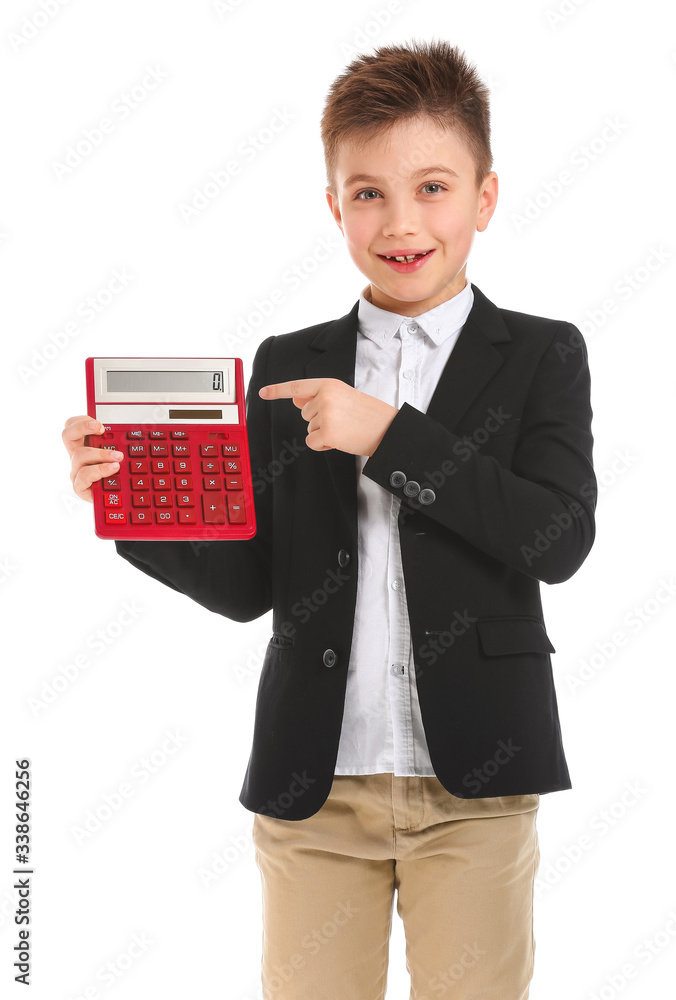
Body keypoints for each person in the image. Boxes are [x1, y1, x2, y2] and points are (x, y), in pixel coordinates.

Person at [62, 39, 597, 1000]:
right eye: (368, 193)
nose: (401, 221)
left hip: (477, 785)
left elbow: (556, 539)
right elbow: (247, 585)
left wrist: (386, 435)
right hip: (317, 786)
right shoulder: (290, 359)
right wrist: (128, 502)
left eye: (433, 188)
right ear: (334, 206)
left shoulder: (542, 354)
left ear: (484, 198)